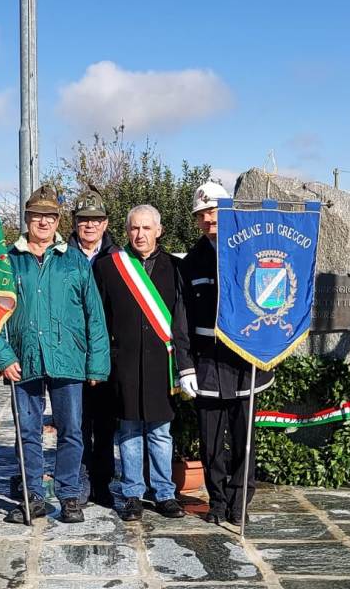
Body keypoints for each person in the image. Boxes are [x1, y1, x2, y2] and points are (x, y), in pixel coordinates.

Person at [0, 185, 110, 524]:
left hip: (68, 360)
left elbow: (94, 315)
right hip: (22, 358)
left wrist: (97, 364)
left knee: (71, 429)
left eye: (49, 216)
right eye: (36, 215)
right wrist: (2, 355)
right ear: (27, 218)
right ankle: (32, 495)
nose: (42, 221)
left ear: (58, 220)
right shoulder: (7, 260)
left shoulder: (73, 260)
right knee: (26, 431)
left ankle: (69, 495)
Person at [180, 181, 274, 525]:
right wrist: (185, 366)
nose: (208, 219)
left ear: (228, 212)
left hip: (245, 362)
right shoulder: (190, 263)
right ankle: (217, 501)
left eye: (214, 211)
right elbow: (183, 319)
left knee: (243, 440)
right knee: (210, 444)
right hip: (206, 364)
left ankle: (240, 502)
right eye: (202, 214)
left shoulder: (251, 253)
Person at [93, 204, 193, 521]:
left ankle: (164, 493)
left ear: (159, 231)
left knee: (161, 432)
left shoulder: (175, 268)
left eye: (146, 228)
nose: (140, 234)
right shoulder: (109, 267)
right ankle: (133, 494)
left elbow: (180, 320)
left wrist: (184, 364)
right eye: (134, 228)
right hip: (123, 365)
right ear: (126, 231)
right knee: (129, 432)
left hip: (161, 365)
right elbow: (100, 319)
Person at [68, 189, 120, 506]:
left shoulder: (118, 259)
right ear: (75, 224)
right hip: (71, 355)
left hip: (108, 354)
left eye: (95, 220)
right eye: (83, 220)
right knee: (75, 424)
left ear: (105, 224)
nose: (89, 225)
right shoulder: (62, 256)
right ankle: (80, 482)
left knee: (104, 424)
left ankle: (102, 483)